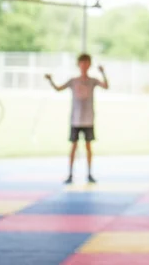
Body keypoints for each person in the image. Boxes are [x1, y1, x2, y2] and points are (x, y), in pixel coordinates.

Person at [45, 54, 109, 184]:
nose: (84, 66)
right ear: (79, 65)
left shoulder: (93, 81)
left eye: (86, 63)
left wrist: (103, 73)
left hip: (88, 119)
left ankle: (90, 173)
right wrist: (50, 81)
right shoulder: (73, 81)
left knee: (88, 146)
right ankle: (70, 174)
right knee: (73, 146)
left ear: (89, 65)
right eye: (82, 63)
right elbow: (58, 89)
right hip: (75, 119)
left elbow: (106, 86)